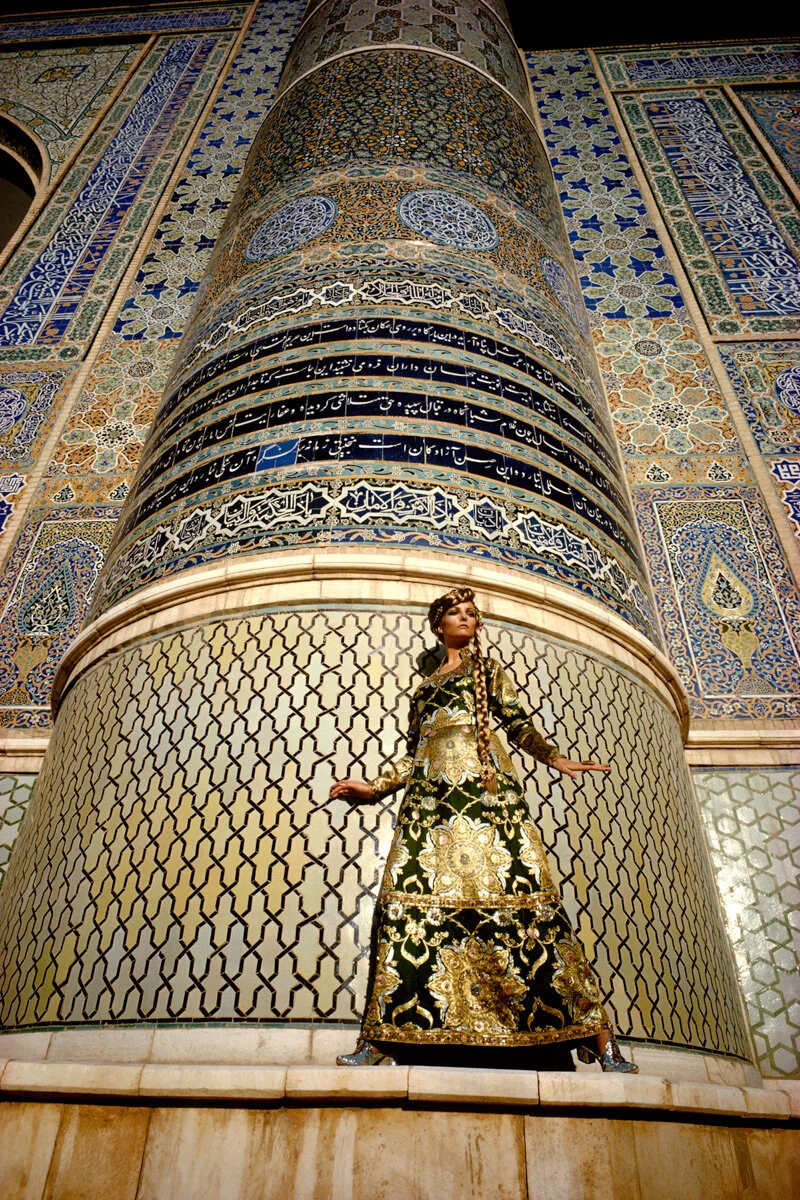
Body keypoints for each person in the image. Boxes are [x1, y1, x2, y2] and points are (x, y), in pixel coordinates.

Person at [330, 585, 638, 1072]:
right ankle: (383, 1037)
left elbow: (515, 723)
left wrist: (555, 758)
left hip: (486, 796)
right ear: (439, 626)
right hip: (431, 805)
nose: (466, 619)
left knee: (528, 906)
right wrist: (374, 789)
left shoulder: (488, 671)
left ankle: (601, 1041)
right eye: (456, 614)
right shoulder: (425, 690)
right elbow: (415, 754)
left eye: (472, 614)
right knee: (401, 905)